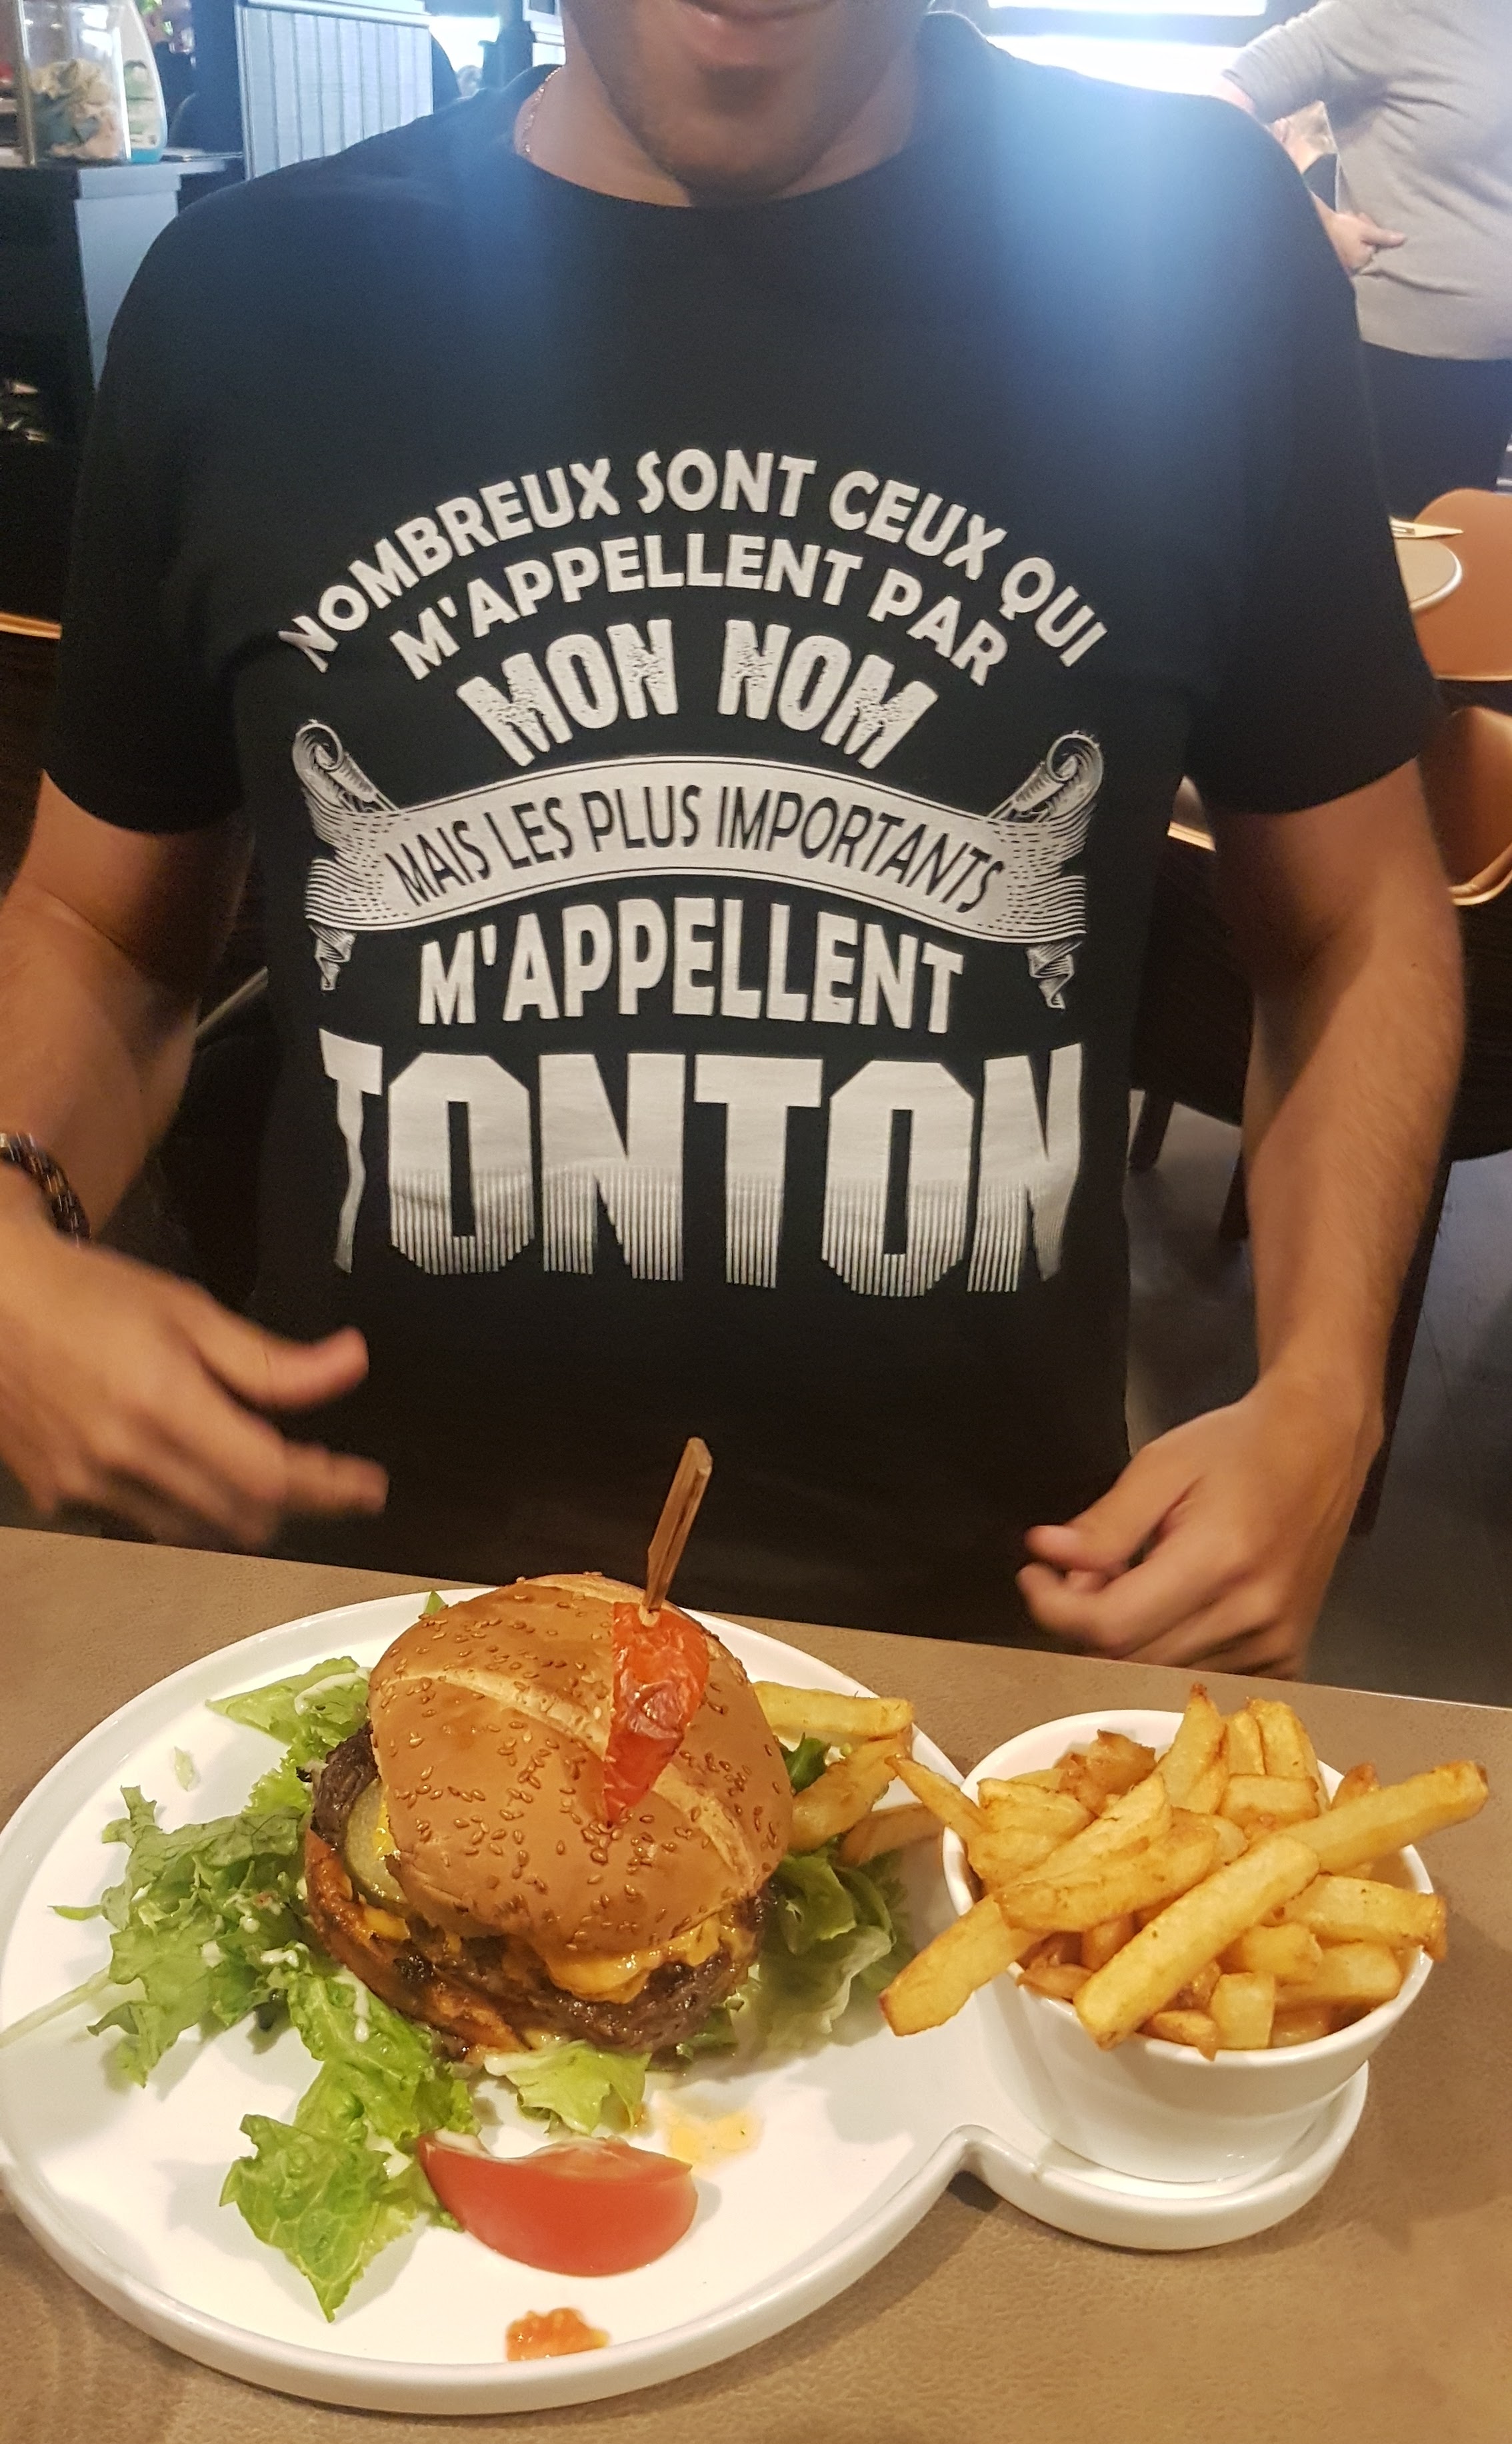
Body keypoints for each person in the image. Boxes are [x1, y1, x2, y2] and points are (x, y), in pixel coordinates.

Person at [0, 2, 1461, 1673]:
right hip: (361, 1619)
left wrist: (1327, 1394)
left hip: (971, 1650)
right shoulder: (249, 297)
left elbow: (1357, 925)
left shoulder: (1189, 248)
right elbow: (98, 927)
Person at [1223, 0, 1512, 515]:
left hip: (1493, 370)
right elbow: (1220, 111)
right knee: (1401, 554)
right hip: (1405, 371)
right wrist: (1316, 223)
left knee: (1476, 549)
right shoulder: (1385, 13)